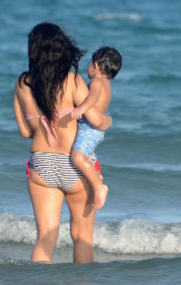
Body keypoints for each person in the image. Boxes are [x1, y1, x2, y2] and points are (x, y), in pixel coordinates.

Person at [13, 23, 112, 264]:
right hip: (74, 165)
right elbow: (94, 120)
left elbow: (26, 131)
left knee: (45, 239)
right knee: (82, 237)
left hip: (41, 165)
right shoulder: (72, 80)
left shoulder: (22, 84)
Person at [70, 47, 122, 211]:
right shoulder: (106, 83)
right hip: (94, 130)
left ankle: (99, 186)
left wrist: (82, 108)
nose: (89, 67)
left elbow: (92, 97)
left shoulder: (97, 82)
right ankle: (95, 174)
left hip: (89, 129)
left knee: (77, 157)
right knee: (83, 157)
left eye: (90, 63)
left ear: (96, 65)